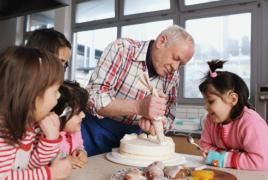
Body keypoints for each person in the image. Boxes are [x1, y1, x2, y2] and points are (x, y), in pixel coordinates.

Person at [82, 25, 195, 156]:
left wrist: (156, 124)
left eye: (181, 64)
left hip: (133, 141)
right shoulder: (122, 49)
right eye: (176, 58)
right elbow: (92, 97)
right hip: (94, 132)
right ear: (161, 42)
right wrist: (139, 107)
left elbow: (169, 116)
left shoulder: (173, 76)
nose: (175, 67)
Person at [0, 46, 72, 179]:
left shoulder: (29, 127)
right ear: (31, 95)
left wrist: (51, 138)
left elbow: (28, 168)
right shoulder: (3, 135)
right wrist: (50, 174)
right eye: (54, 91)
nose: (58, 96)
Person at [199, 60, 268, 170]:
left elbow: (261, 161)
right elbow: (204, 146)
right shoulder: (210, 120)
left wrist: (223, 158)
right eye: (205, 101)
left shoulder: (251, 123)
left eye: (211, 101)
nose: (206, 107)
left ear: (233, 99)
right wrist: (226, 155)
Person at [52, 80, 88, 169]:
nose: (83, 115)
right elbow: (44, 159)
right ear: (59, 115)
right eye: (77, 113)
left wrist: (81, 152)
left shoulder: (75, 130)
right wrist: (63, 159)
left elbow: (80, 145)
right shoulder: (48, 135)